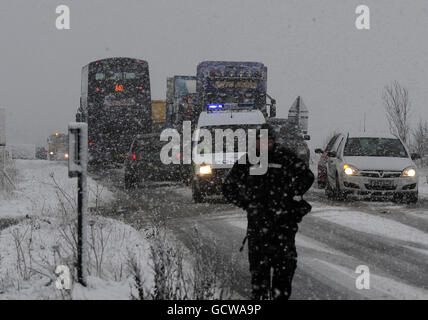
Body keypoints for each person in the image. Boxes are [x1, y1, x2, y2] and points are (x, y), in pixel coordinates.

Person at [222, 123, 314, 300]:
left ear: (273, 141)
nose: (264, 145)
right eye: (260, 141)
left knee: (283, 276)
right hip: (258, 227)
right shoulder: (248, 160)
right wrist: (248, 203)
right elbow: (228, 187)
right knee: (259, 279)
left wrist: (291, 194)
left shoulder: (284, 157)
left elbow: (307, 176)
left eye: (268, 141)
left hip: (283, 226)